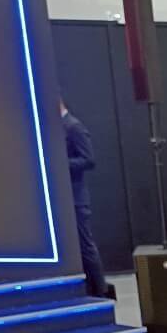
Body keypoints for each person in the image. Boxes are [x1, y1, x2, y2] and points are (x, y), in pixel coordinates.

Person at [61, 99, 115, 300]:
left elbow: (89, 159)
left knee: (85, 245)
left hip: (77, 198)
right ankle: (91, 288)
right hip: (67, 198)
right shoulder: (61, 127)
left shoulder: (73, 126)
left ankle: (100, 289)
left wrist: (61, 162)